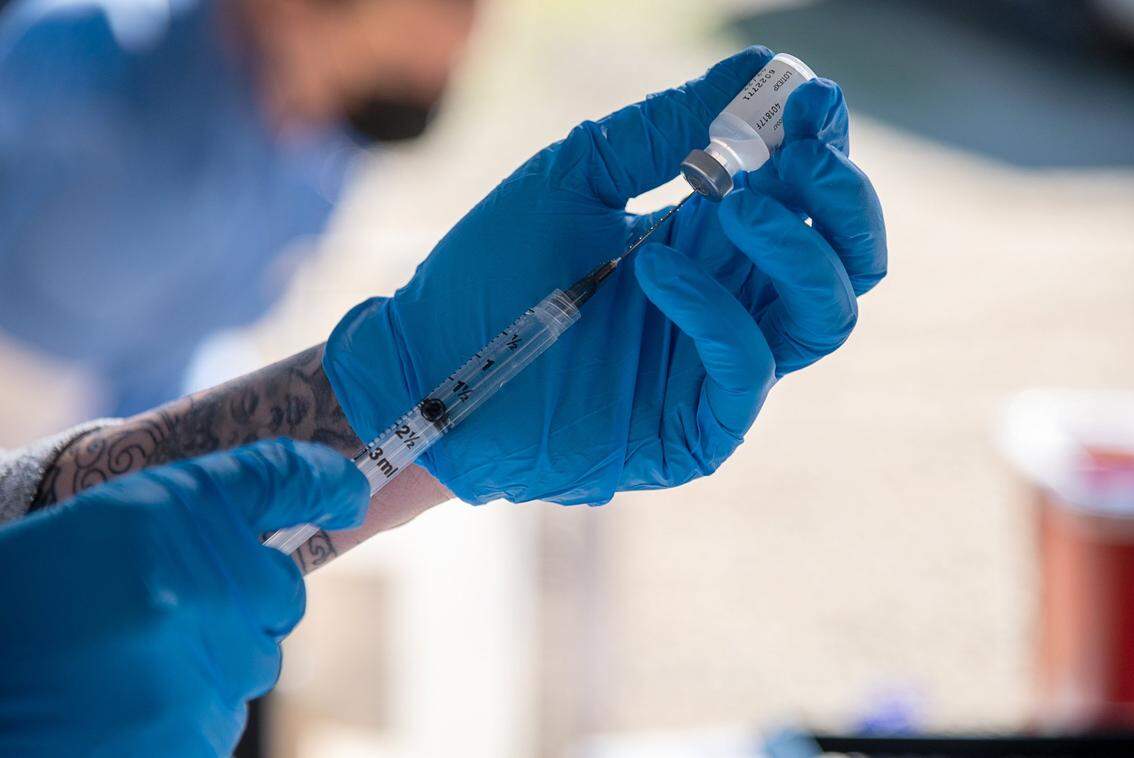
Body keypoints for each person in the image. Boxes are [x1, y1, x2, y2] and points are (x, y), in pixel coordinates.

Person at [0, 47, 887, 754]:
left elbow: (72, 543)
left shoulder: (307, 142)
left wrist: (403, 387)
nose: (468, 30)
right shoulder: (92, 130)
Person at [0, 0, 475, 415]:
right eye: (396, 64)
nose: (434, 74)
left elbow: (178, 353)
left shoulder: (325, 146)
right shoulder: (86, 56)